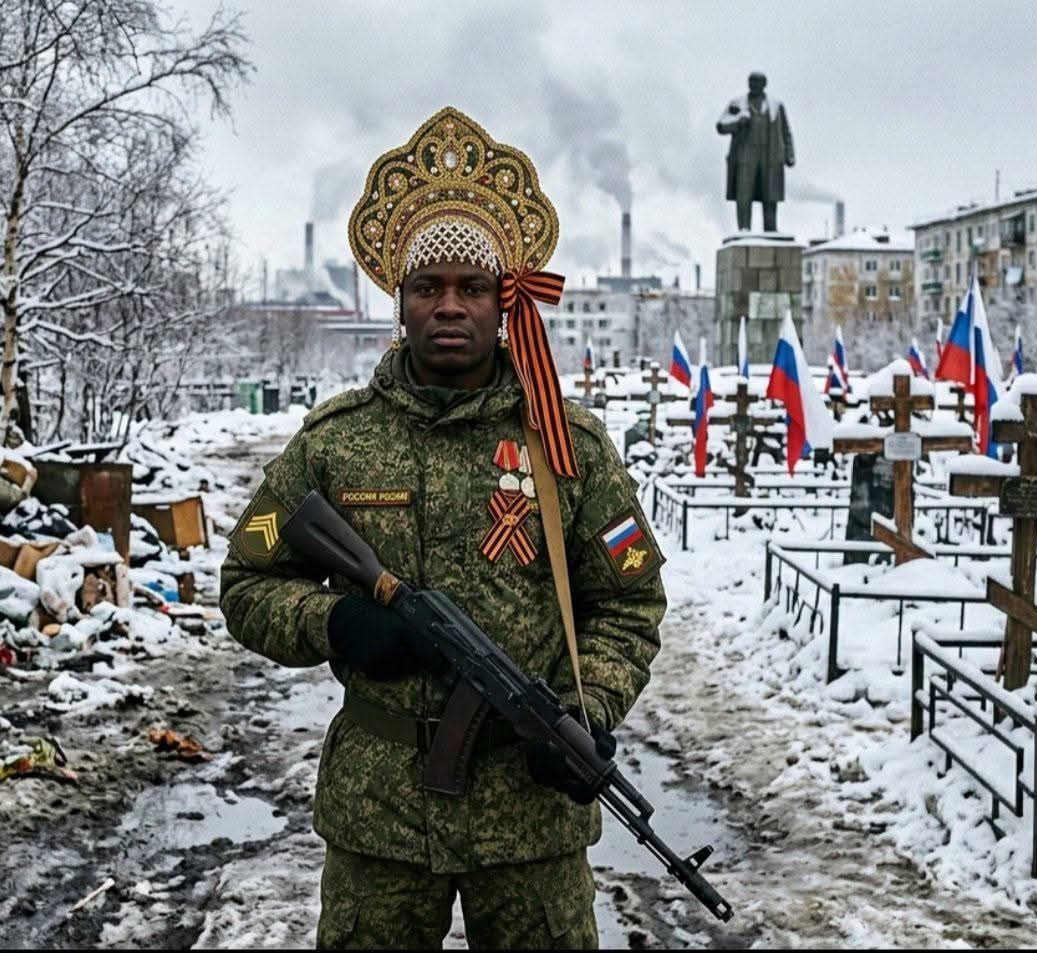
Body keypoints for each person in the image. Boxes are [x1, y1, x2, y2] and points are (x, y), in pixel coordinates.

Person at [220, 107, 666, 950]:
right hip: (379, 814)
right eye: (428, 287)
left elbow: (629, 602)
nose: (450, 305)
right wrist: (335, 621)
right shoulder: (334, 442)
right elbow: (246, 583)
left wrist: (588, 708)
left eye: (472, 287)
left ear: (505, 303)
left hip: (530, 821)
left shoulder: (567, 444)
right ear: (400, 303)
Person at [716, 71, 795, 232]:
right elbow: (721, 126)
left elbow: (786, 131)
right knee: (743, 194)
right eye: (751, 82)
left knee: (770, 196)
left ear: (764, 85)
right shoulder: (737, 104)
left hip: (770, 157)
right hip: (745, 157)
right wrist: (738, 121)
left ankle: (771, 230)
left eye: (757, 82)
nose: (753, 85)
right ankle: (744, 229)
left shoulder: (776, 105)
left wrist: (789, 154)